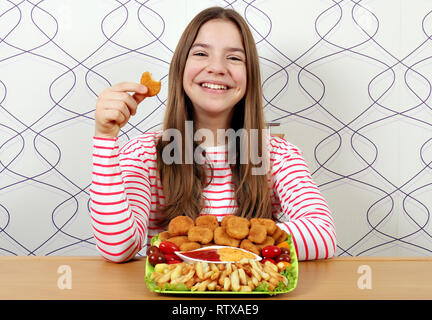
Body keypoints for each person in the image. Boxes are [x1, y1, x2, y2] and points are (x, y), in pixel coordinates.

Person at [90, 6, 336, 263]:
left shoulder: (277, 154)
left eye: (234, 58)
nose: (217, 67)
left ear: (249, 75)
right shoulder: (144, 154)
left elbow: (323, 233)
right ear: (180, 68)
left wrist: (208, 239)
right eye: (200, 53)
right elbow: (117, 247)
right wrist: (105, 138)